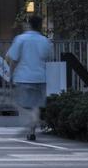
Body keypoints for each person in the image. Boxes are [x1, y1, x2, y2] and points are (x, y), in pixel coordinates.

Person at [5, 14, 55, 142]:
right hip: (40, 77)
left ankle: (34, 121)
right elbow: (48, 56)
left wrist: (10, 74)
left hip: (23, 76)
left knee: (19, 103)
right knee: (35, 105)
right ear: (40, 26)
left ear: (29, 24)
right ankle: (31, 131)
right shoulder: (44, 40)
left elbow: (13, 59)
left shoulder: (20, 39)